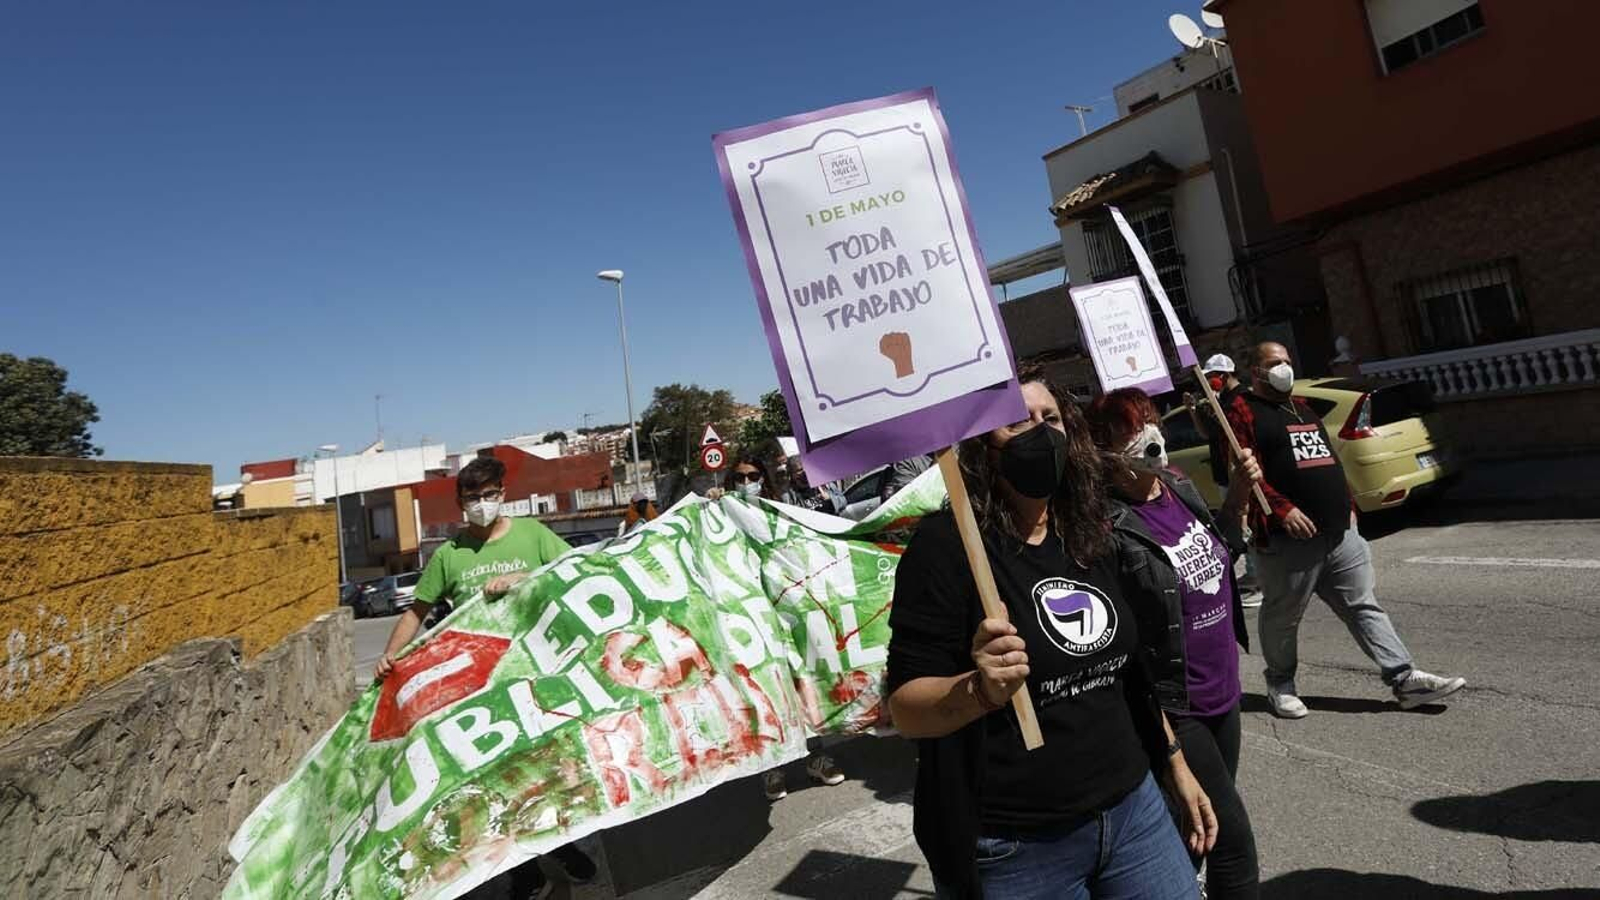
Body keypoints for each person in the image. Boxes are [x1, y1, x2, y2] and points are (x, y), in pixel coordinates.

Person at [887, 367, 1216, 899]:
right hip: (1019, 846)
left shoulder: (1088, 532)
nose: (1041, 432)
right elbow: (905, 709)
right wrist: (978, 689)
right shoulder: (946, 547)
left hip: (1135, 812)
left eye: (1051, 418)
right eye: (1017, 422)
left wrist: (1174, 762)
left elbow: (1128, 673)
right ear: (980, 447)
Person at [373, 457, 595, 899]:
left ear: (503, 493)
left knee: (544, 771)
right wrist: (389, 657)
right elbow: (416, 612)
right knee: (496, 782)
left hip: (537, 680)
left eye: (489, 495)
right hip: (477, 696)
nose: (481, 504)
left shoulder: (532, 535)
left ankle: (563, 847)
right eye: (472, 498)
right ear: (460, 502)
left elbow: (574, 574)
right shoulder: (449, 556)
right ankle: (526, 871)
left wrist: (525, 576)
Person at [1224, 342, 1466, 718]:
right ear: (1255, 372)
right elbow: (1245, 474)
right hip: (1290, 540)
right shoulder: (1243, 412)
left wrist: (1349, 506)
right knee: (1283, 616)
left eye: (1288, 361)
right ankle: (1280, 684)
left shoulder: (1302, 408)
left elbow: (1329, 462)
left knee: (1363, 605)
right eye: (1275, 364)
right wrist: (1283, 511)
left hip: (1340, 533)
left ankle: (1404, 679)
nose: (1284, 369)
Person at [1088, 388, 1263, 900]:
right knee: (1232, 842)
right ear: (1104, 450)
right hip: (1173, 705)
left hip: (1222, 690)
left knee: (1193, 827)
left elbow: (1219, 553)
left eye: (1149, 419)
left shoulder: (1178, 487)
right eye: (1130, 429)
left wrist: (1237, 497)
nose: (1150, 435)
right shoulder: (1107, 526)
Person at [713, 455, 849, 800]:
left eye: (753, 476)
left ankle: (816, 757)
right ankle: (772, 770)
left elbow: (820, 521)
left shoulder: (779, 507)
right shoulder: (719, 514)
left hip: (787, 610)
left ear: (765, 478)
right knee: (766, 688)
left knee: (803, 683)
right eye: (740, 478)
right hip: (749, 615)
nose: (747, 483)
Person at [1187, 354, 1263, 609]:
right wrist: (1194, 410)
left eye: (1211, 378)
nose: (1209, 382)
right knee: (1242, 526)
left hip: (1237, 474)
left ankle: (1260, 580)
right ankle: (1254, 574)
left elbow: (1241, 439)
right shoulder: (1218, 402)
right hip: (1224, 474)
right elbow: (1207, 433)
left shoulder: (1239, 399)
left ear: (1224, 375)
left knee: (1247, 525)